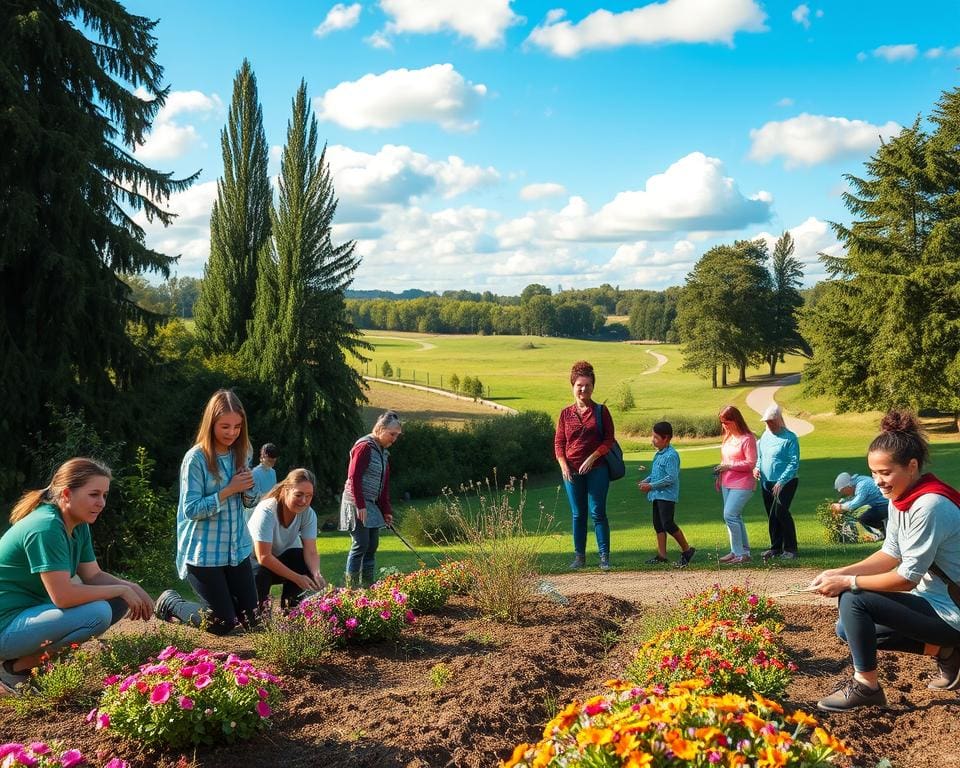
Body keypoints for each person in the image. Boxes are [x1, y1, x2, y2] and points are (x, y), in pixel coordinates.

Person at [811, 410, 960, 712]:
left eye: (885, 472)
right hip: (939, 603)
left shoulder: (929, 505)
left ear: (912, 466)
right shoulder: (901, 500)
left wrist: (848, 582)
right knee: (848, 628)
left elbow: (907, 578)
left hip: (953, 608)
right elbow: (889, 554)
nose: (878, 481)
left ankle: (866, 687)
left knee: (855, 600)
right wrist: (838, 571)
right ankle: (948, 652)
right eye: (874, 472)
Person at [0, 459, 153, 695]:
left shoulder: (77, 523)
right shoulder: (46, 527)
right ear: (67, 494)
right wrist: (121, 589)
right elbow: (63, 596)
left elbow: (93, 575)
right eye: (94, 494)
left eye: (104, 495)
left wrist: (131, 587)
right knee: (98, 612)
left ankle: (32, 662)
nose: (101, 503)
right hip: (5, 626)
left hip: (29, 615)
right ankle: (17, 669)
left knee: (116, 601)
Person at [155, 389, 260, 635]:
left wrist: (247, 489)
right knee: (223, 624)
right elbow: (191, 510)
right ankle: (171, 602)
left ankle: (228, 606)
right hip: (205, 552)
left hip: (236, 548)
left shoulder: (243, 451)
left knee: (254, 621)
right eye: (225, 426)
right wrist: (228, 489)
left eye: (237, 426)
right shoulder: (196, 459)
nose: (232, 433)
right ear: (210, 423)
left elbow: (248, 501)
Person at [555, 360, 615, 571]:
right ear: (573, 386)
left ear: (593, 387)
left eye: (587, 385)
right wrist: (563, 465)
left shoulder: (601, 411)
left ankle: (604, 557)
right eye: (579, 385)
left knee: (597, 512)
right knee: (578, 514)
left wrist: (592, 458)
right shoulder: (565, 414)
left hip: (597, 469)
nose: (583, 389)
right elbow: (559, 443)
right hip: (571, 472)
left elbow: (609, 440)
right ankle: (579, 557)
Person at [249, 467, 325, 611]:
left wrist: (316, 573)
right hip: (252, 565)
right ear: (286, 490)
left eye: (309, 496)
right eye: (299, 495)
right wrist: (297, 578)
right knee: (261, 572)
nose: (304, 501)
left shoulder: (308, 514)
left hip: (277, 561)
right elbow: (263, 557)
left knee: (301, 559)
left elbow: (311, 552)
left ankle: (291, 610)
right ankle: (259, 613)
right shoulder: (267, 510)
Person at [340, 410, 401, 587]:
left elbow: (383, 486)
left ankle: (367, 586)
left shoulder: (383, 453)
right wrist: (360, 505)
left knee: (372, 544)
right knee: (361, 544)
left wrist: (386, 511)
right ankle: (351, 589)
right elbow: (354, 477)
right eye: (392, 434)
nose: (394, 439)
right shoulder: (364, 447)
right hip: (355, 502)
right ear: (380, 428)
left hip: (371, 504)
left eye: (397, 436)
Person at [639, 421, 696, 568]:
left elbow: (671, 478)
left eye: (656, 437)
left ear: (666, 438)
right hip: (656, 495)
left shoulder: (671, 455)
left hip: (667, 496)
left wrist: (650, 485)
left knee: (668, 523)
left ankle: (687, 550)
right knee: (658, 525)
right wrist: (646, 480)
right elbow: (655, 474)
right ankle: (662, 555)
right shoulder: (658, 454)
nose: (653, 440)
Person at [754, 403, 800, 560]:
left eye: (771, 421)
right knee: (771, 515)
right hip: (766, 482)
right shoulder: (765, 437)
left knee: (780, 512)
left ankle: (791, 548)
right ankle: (775, 548)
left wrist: (781, 481)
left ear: (779, 420)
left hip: (786, 483)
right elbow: (760, 457)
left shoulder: (790, 438)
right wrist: (757, 468)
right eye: (767, 422)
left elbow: (794, 463)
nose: (769, 424)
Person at [715, 405, 757, 565]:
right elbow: (724, 460)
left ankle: (740, 553)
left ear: (735, 420)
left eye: (726, 422)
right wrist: (720, 474)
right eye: (722, 422)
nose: (723, 426)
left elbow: (751, 463)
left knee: (729, 515)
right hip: (727, 481)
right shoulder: (728, 438)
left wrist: (730, 465)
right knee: (735, 517)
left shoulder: (748, 438)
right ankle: (740, 551)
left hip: (743, 483)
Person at [833, 471, 888, 540]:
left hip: (886, 505)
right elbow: (852, 498)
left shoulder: (863, 485)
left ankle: (884, 532)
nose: (844, 494)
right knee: (865, 517)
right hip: (880, 505)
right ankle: (884, 532)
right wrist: (842, 503)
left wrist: (841, 507)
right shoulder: (858, 482)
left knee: (865, 518)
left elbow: (857, 502)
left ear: (848, 486)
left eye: (843, 491)